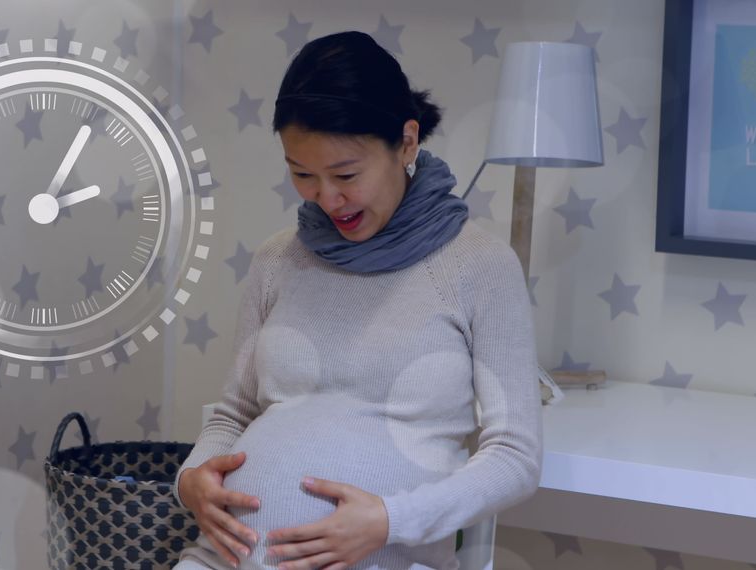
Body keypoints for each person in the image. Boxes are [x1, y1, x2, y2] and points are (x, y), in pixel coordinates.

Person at [171, 30, 543, 570]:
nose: (327, 198)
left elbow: (515, 457)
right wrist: (192, 479)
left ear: (407, 142)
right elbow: (233, 413)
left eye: (346, 174)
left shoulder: (479, 267)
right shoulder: (278, 260)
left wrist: (390, 520)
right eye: (302, 175)